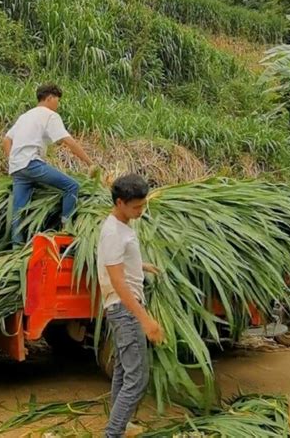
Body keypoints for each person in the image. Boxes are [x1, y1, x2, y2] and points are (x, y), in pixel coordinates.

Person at [97, 174, 165, 438]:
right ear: (120, 202)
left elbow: (119, 265)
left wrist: (141, 265)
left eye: (143, 205)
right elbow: (116, 280)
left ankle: (120, 425)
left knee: (124, 372)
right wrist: (145, 319)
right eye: (136, 206)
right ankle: (113, 433)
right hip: (125, 309)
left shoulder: (122, 225)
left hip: (122, 309)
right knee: (137, 379)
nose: (141, 210)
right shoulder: (114, 232)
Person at [3, 83, 96, 245]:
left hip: (18, 168)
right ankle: (65, 230)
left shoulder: (25, 116)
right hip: (32, 164)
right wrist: (90, 163)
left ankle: (16, 248)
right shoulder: (49, 115)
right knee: (72, 186)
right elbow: (68, 141)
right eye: (57, 101)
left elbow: (6, 140)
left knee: (19, 210)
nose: (58, 105)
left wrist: (13, 160)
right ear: (50, 98)